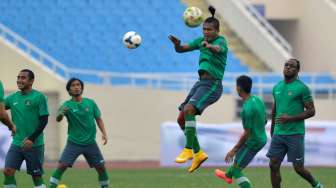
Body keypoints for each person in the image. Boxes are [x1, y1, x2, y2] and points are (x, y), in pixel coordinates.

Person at [168, 6, 228, 173]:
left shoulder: (220, 41)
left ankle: (188, 149)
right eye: (204, 29)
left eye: (209, 30)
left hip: (213, 84)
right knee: (181, 119)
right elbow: (182, 49)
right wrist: (177, 44)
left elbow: (218, 49)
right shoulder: (201, 41)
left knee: (189, 109)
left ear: (217, 30)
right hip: (201, 84)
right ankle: (198, 153)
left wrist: (209, 46)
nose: (206, 32)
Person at [266, 59, 323, 188]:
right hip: (279, 133)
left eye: (292, 66)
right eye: (286, 65)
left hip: (295, 134)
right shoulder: (277, 87)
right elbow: (275, 109)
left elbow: (311, 111)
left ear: (297, 71)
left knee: (298, 168)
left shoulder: (302, 88)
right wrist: (273, 127)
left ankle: (316, 185)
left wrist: (290, 118)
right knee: (273, 164)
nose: (288, 67)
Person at [49, 78, 109, 188]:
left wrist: (104, 133)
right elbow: (58, 118)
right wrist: (61, 114)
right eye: (73, 85)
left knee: (101, 167)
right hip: (74, 142)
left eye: (78, 85)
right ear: (69, 89)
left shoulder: (90, 103)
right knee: (62, 166)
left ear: (81, 88)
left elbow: (98, 118)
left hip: (90, 143)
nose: (76, 87)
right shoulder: (66, 105)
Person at [215, 75, 267, 188]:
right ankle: (227, 175)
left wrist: (233, 150)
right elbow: (265, 120)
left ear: (239, 88)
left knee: (237, 170)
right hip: (261, 137)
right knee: (237, 162)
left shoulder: (247, 108)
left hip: (253, 141)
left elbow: (246, 133)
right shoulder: (258, 100)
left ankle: (230, 174)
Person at [3, 69, 49, 188]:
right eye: (18, 77)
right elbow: (1, 109)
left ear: (31, 81)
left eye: (23, 77)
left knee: (36, 177)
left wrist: (32, 139)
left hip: (34, 144)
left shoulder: (39, 97)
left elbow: (44, 121)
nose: (19, 80)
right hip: (17, 143)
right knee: (7, 171)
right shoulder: (12, 98)